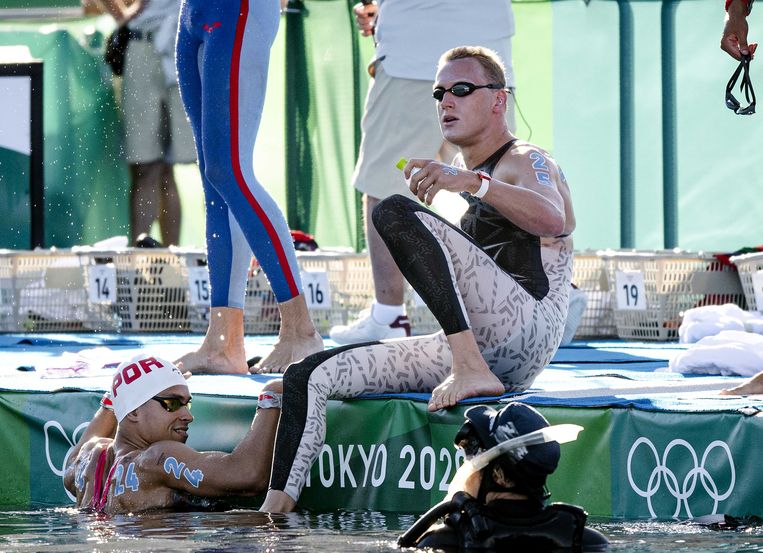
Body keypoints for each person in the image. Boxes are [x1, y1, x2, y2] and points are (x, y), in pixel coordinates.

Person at [259, 46, 575, 513]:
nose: (447, 101)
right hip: (486, 347)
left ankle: (468, 365)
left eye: (462, 90)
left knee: (393, 211)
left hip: (525, 329)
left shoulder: (526, 159)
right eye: (439, 93)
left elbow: (553, 219)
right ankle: (273, 519)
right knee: (307, 375)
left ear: (498, 100)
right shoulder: (474, 170)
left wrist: (469, 183)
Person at [329, 0, 517, 344]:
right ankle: (528, 304)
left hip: (415, 52)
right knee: (500, 184)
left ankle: (389, 315)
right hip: (489, 47)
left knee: (385, 185)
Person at [174, 0, 323, 374]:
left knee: (230, 171)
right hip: (194, 10)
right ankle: (224, 343)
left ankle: (300, 330)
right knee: (214, 178)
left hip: (236, 9)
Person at [63, 354, 282, 513]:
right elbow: (247, 476)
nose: (187, 415)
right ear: (135, 411)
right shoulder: (156, 459)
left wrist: (117, 398)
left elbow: (71, 459)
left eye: (187, 404)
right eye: (172, 403)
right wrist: (271, 397)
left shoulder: (88, 457)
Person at [398, 402, 610, 552]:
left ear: (499, 476)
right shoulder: (584, 539)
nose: (468, 471)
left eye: (474, 462)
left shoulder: (444, 542)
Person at [97, 0, 197, 247]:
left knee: (165, 169)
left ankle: (172, 261)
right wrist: (124, 13)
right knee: (146, 167)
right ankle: (140, 264)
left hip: (179, 47)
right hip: (142, 46)